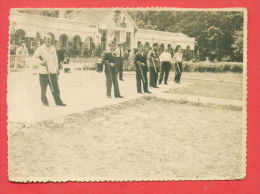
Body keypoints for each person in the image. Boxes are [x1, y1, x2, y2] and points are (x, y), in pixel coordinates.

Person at [33, 33, 66, 106]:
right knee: (43, 89)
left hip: (52, 71)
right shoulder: (40, 48)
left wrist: (57, 69)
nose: (49, 40)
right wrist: (41, 62)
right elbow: (35, 57)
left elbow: (55, 59)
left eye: (50, 39)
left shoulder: (53, 48)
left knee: (56, 88)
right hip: (43, 71)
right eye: (47, 39)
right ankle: (44, 101)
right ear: (44, 39)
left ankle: (58, 102)